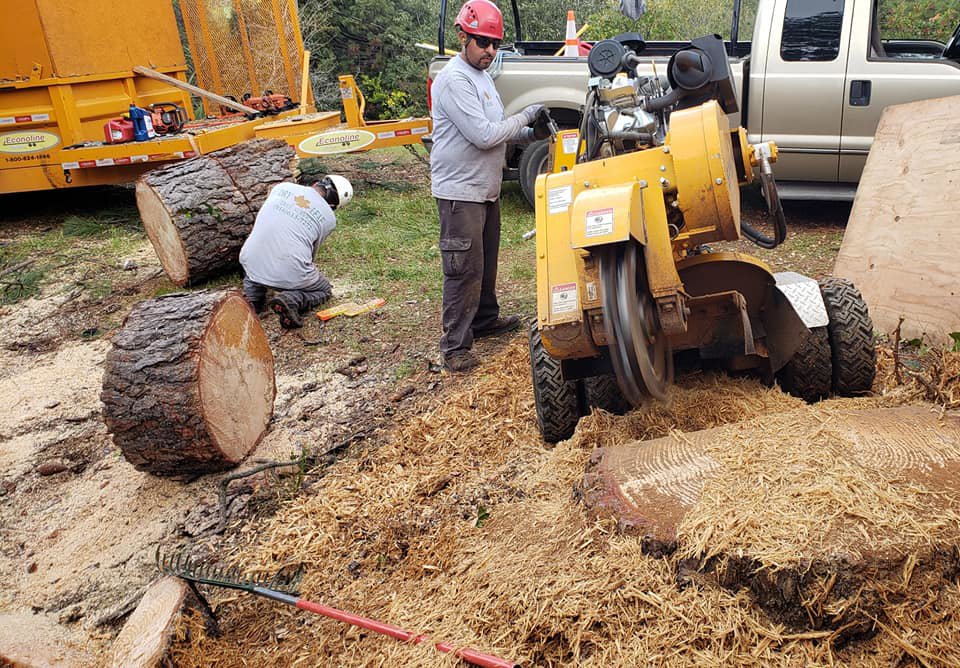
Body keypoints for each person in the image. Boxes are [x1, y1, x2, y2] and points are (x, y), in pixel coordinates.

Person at [430, 0, 552, 372]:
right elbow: (483, 135)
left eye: (494, 44)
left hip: (485, 188)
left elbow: (497, 131)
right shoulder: (454, 80)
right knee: (463, 268)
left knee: (484, 262)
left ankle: (484, 319)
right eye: (483, 43)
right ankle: (454, 347)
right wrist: (526, 114)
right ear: (463, 37)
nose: (490, 51)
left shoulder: (482, 77)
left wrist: (531, 133)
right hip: (460, 192)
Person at [239, 175, 353, 329]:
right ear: (332, 205)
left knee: (255, 266)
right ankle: (292, 299)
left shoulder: (282, 187)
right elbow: (311, 253)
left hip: (249, 257)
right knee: (324, 290)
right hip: (289, 269)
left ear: (315, 183)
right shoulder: (329, 218)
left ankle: (251, 303)